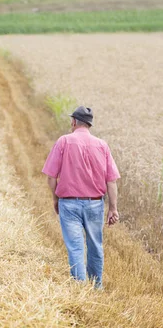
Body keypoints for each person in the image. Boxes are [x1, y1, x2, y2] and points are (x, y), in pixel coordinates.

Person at [42, 106, 120, 288]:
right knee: (95, 246)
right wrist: (113, 208)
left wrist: (55, 199)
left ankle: (79, 289)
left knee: (75, 247)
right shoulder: (102, 145)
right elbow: (111, 181)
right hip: (95, 205)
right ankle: (96, 287)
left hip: (68, 204)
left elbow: (51, 177)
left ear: (74, 122)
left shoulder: (63, 141)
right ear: (89, 124)